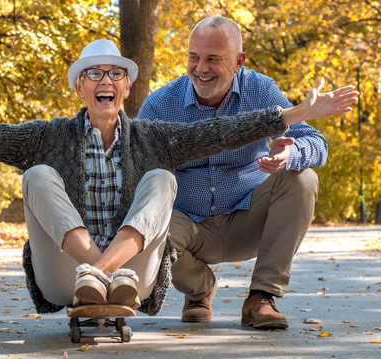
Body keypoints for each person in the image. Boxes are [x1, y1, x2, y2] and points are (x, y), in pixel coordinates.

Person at [0, 39, 356, 316]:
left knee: (160, 179)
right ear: (79, 89)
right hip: (66, 273)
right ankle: (96, 270)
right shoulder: (48, 136)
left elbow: (227, 131)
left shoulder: (154, 136)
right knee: (39, 175)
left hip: (136, 277)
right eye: (93, 74)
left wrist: (290, 115)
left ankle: (109, 272)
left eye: (114, 74)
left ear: (127, 89)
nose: (104, 81)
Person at [137, 16, 330, 328]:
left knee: (303, 177)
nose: (201, 68)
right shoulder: (160, 104)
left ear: (239, 61)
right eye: (194, 57)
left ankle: (261, 297)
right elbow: (135, 171)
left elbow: (316, 143)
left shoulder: (261, 90)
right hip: (186, 225)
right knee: (142, 228)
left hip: (248, 219)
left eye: (213, 59)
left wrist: (289, 154)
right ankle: (200, 289)